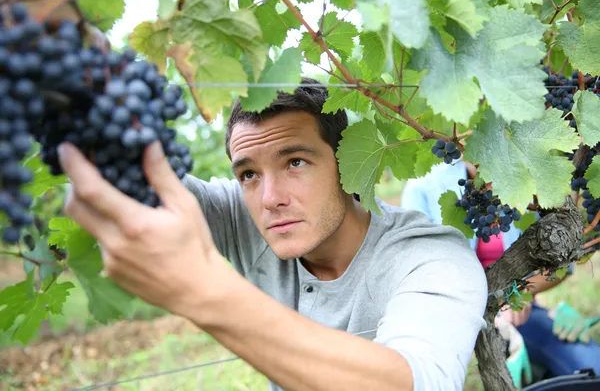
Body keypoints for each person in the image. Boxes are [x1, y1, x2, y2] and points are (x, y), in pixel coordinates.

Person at [56, 78, 488, 391]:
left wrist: (205, 293)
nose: (269, 198)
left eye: (295, 162)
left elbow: (413, 384)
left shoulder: (431, 257)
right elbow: (129, 175)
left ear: (347, 163)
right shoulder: (244, 216)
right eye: (248, 173)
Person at [401, 159, 600, 387]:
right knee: (422, 381)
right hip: (445, 317)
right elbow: (416, 269)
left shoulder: (531, 182)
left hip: (514, 313)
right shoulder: (423, 187)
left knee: (592, 367)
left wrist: (520, 293)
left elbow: (562, 264)